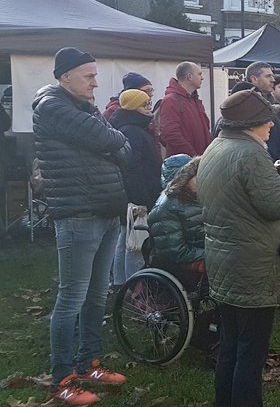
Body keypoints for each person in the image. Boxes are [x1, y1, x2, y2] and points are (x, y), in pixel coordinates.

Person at [34, 48, 130, 405]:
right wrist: (111, 143)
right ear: (64, 77)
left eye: (95, 74)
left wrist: (112, 143)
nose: (95, 82)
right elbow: (111, 140)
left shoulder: (85, 109)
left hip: (105, 211)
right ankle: (63, 377)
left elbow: (124, 148)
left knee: (97, 294)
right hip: (78, 214)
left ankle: (89, 362)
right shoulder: (53, 106)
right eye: (88, 75)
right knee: (72, 297)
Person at [196, 88, 280, 407]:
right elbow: (277, 204)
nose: (272, 124)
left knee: (230, 346)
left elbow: (239, 195)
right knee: (251, 353)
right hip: (253, 265)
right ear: (252, 123)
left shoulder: (218, 145)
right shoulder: (251, 153)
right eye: (267, 119)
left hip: (226, 260)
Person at [109, 89, 162, 287]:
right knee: (137, 242)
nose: (149, 108)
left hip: (133, 194)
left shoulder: (131, 128)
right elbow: (133, 170)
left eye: (149, 104)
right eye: (144, 105)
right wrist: (141, 200)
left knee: (125, 238)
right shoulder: (131, 131)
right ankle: (135, 286)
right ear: (133, 107)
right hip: (137, 196)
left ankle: (121, 282)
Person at [148, 155, 204, 277]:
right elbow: (174, 251)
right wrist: (210, 254)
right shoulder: (167, 207)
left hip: (202, 251)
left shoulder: (197, 197)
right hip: (183, 262)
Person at [159, 61, 213, 157]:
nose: (202, 78)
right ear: (189, 77)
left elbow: (205, 130)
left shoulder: (195, 100)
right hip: (184, 163)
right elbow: (170, 134)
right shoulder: (171, 100)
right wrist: (192, 156)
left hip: (200, 160)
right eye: (199, 74)